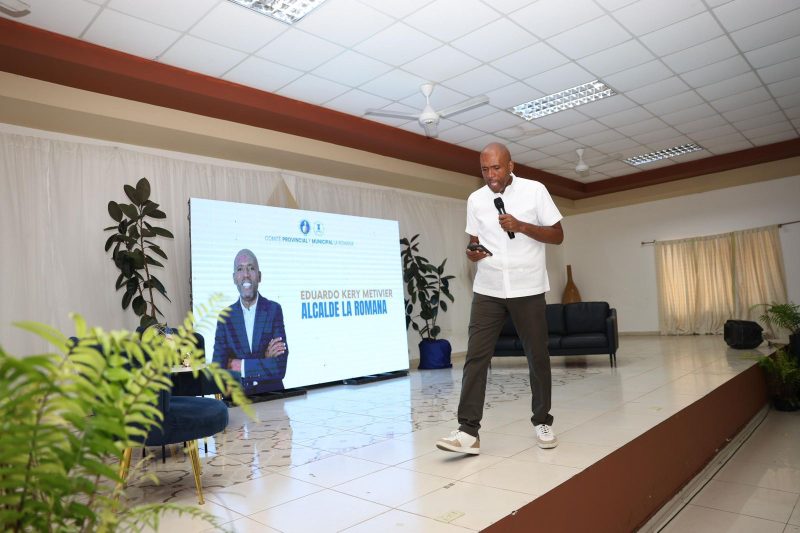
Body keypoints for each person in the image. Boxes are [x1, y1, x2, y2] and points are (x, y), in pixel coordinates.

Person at [436, 142, 563, 455]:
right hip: (489, 288)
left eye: (496, 168)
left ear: (510, 166)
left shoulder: (535, 191)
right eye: (485, 169)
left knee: (537, 356)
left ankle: (542, 420)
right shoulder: (476, 199)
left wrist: (521, 226)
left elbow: (557, 234)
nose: (491, 175)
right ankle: (468, 432)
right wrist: (473, 252)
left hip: (527, 287)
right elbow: (474, 240)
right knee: (476, 357)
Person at [213, 248, 288, 394]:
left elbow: (279, 367)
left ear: (259, 276)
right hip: (237, 399)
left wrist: (239, 366)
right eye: (240, 269)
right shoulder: (225, 318)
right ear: (234, 278)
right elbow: (217, 370)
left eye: (251, 268)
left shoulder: (274, 310)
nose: (246, 274)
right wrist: (264, 359)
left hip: (271, 396)